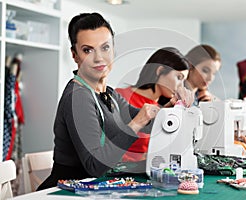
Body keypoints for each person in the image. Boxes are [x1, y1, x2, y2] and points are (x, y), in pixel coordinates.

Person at [37, 12, 162, 190]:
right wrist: (137, 123)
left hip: (92, 188)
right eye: (88, 50)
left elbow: (148, 121)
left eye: (105, 48)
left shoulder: (108, 94)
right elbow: (95, 165)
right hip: (66, 192)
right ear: (75, 55)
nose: (99, 58)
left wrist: (174, 104)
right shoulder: (78, 96)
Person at [115, 47, 193, 162]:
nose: (181, 86)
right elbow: (111, 145)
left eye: (183, 81)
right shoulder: (120, 97)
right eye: (178, 77)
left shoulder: (163, 108)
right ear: (160, 71)